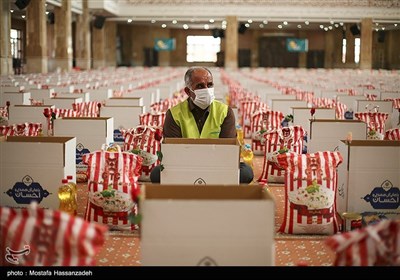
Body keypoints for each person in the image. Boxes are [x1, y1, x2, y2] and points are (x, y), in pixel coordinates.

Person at [150, 66, 254, 184]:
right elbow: (173, 153)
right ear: (188, 91)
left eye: (209, 85)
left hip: (217, 165)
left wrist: (208, 166)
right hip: (185, 165)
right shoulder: (174, 114)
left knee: (246, 172)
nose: (206, 89)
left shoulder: (224, 112)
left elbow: (228, 151)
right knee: (156, 174)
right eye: (200, 86)